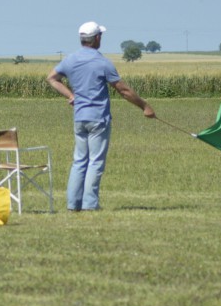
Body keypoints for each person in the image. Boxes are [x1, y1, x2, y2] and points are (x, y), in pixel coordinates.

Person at [46, 21, 155, 211]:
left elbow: (52, 78)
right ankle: (90, 205)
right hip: (98, 118)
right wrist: (144, 106)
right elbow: (124, 90)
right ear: (97, 38)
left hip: (79, 118)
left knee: (79, 160)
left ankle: (73, 204)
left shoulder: (70, 60)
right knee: (95, 162)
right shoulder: (102, 62)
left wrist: (71, 95)